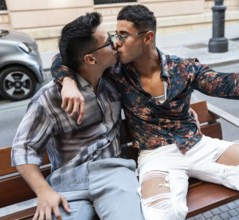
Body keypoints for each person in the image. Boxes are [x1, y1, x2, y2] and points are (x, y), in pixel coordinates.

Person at [51, 4, 239, 220]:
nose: (116, 43)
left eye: (123, 35)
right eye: (115, 35)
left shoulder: (183, 68)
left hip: (198, 146)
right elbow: (65, 58)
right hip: (156, 158)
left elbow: (225, 82)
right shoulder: (114, 71)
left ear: (147, 37)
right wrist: (69, 82)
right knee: (162, 214)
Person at [11, 12, 144, 220]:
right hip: (68, 183)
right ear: (90, 59)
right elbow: (23, 148)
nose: (116, 44)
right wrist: (43, 191)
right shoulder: (49, 98)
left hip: (115, 174)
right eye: (109, 41)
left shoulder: (114, 78)